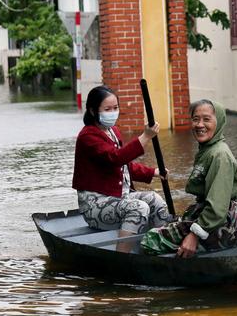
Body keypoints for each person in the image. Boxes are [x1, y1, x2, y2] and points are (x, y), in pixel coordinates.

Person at [141, 99, 237, 258]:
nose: (199, 125)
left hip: (220, 222)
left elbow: (218, 206)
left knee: (150, 239)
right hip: (220, 218)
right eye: (196, 119)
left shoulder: (219, 156)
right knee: (169, 224)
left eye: (206, 119)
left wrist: (193, 236)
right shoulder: (208, 150)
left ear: (220, 121)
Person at [72, 85, 171, 251]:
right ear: (92, 111)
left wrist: (152, 172)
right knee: (139, 208)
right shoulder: (88, 136)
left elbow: (124, 166)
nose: (112, 112)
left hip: (119, 198)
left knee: (155, 199)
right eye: (107, 109)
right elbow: (115, 158)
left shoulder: (113, 131)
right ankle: (122, 256)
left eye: (115, 108)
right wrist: (145, 136)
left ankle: (163, 246)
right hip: (95, 205)